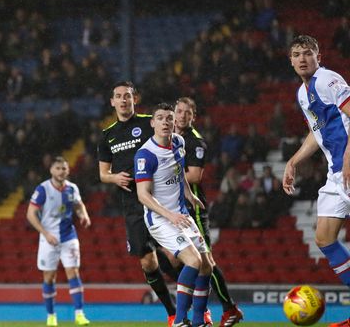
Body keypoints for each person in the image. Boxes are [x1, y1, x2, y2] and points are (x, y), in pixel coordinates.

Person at [282, 35, 350, 327]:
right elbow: (317, 132)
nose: (302, 58)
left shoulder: (327, 80)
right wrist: (293, 161)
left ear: (318, 57)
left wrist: (348, 157)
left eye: (307, 53)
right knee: (324, 237)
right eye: (296, 54)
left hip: (348, 164)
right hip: (336, 174)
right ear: (290, 60)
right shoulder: (302, 93)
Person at [97, 81, 177, 326]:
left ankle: (194, 298)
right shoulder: (107, 135)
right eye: (119, 96)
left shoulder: (147, 122)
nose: (124, 100)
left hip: (159, 196)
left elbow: (169, 144)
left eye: (128, 96)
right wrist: (114, 177)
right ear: (112, 102)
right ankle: (172, 312)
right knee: (146, 260)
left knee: (175, 256)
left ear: (135, 99)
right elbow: (102, 173)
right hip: (132, 202)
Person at [134, 103, 211, 327]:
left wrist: (189, 194)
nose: (166, 122)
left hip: (181, 214)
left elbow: (179, 173)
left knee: (207, 265)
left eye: (169, 118)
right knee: (194, 261)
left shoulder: (179, 142)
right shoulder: (146, 155)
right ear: (152, 123)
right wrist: (170, 215)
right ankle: (179, 320)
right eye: (160, 118)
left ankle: (198, 322)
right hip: (159, 219)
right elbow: (143, 196)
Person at [173, 97, 244, 326]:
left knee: (206, 262)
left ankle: (227, 308)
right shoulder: (167, 138)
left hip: (192, 209)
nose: (182, 116)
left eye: (187, 113)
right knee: (172, 260)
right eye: (179, 111)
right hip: (170, 208)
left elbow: (194, 176)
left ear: (194, 117)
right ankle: (197, 313)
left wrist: (164, 172)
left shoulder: (195, 142)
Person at [27, 156, 91, 326]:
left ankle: (79, 314)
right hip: (49, 239)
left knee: (73, 273)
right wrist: (45, 233)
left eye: (64, 168)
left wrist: (83, 215)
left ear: (68, 170)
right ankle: (51, 316)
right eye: (58, 168)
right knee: (49, 277)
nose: (61, 171)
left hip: (69, 236)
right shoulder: (43, 189)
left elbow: (79, 205)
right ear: (51, 170)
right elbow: (30, 214)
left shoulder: (72, 188)